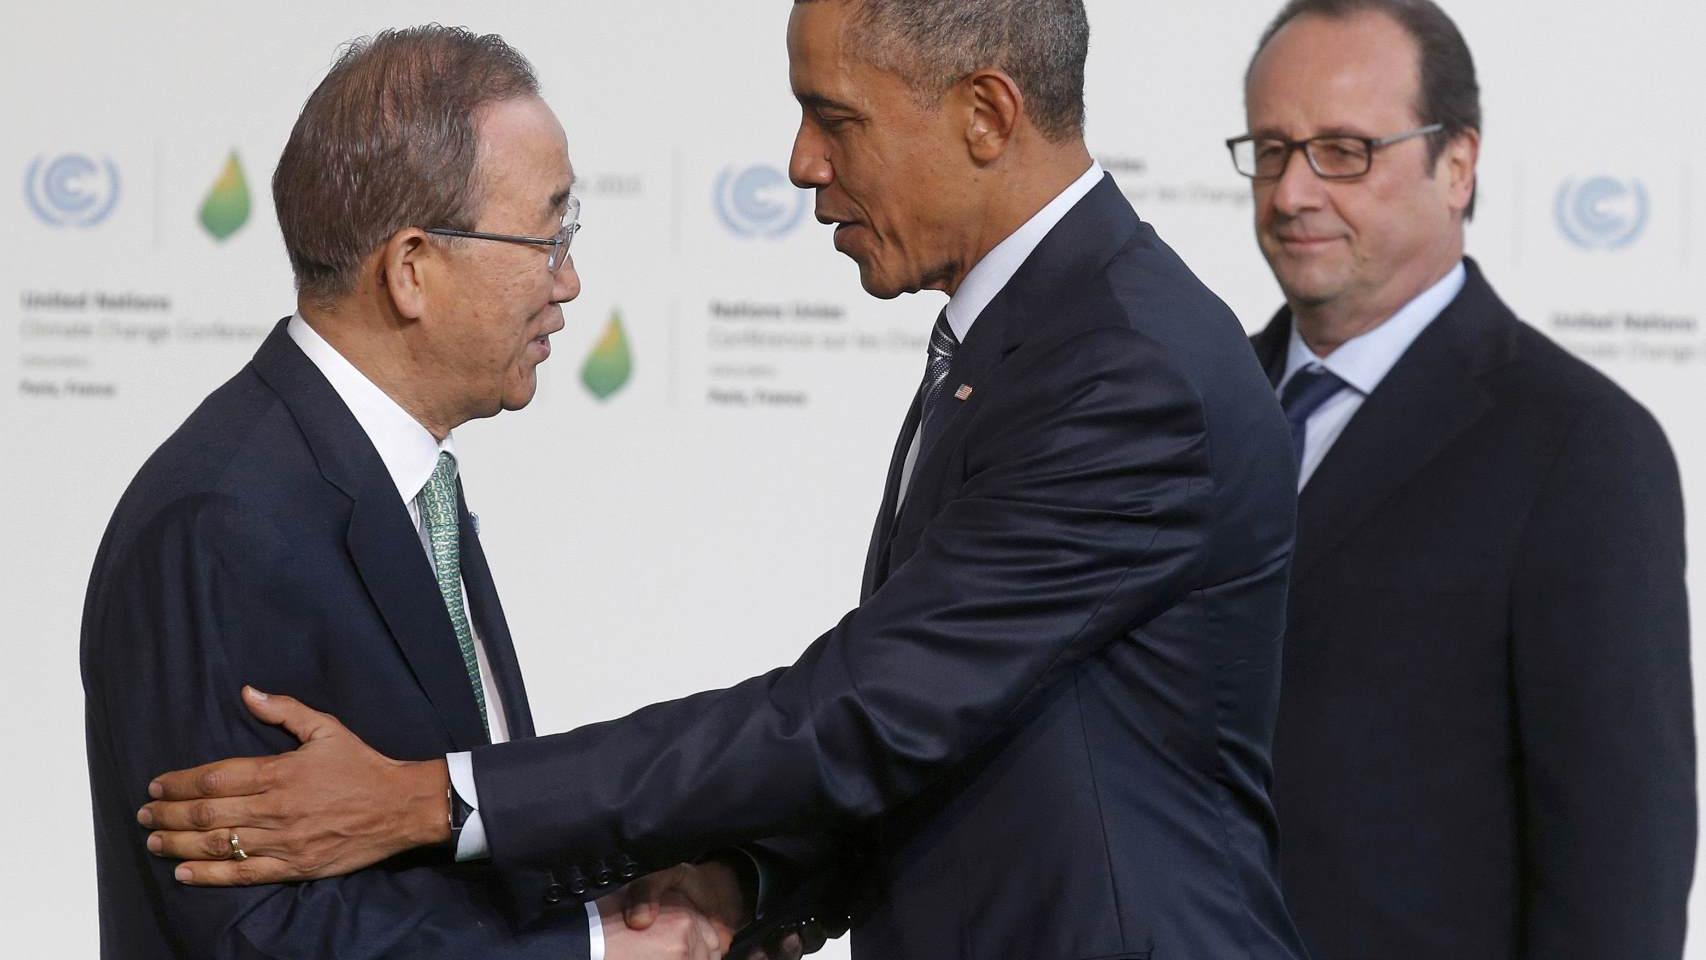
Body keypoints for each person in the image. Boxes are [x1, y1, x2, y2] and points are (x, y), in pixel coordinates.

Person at [139, 2, 1310, 957]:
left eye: (832, 117)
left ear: (985, 115)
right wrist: (749, 879)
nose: (803, 164)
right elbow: (946, 719)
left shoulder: (1122, 368)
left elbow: (864, 712)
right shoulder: (1038, 336)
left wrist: (440, 800)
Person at [84, 25, 730, 960]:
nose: (571, 279)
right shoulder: (221, 521)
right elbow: (249, 935)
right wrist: (592, 954)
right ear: (413, 268)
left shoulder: (404, 474)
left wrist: (596, 898)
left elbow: (447, 862)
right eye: (548, 236)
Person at [1226, 1, 1695, 956]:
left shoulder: (1583, 450)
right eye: (1272, 149)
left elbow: (1618, 874)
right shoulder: (1186, 414)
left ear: (1459, 164)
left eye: (1344, 150)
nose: (1292, 192)